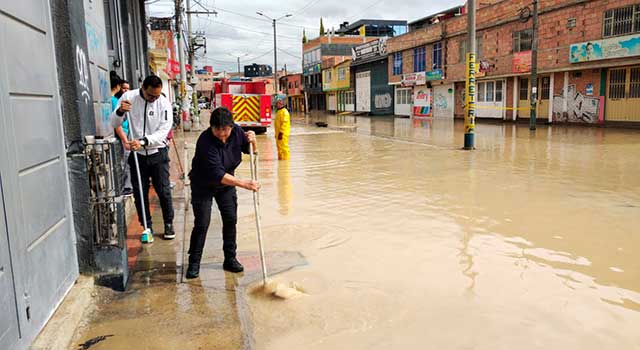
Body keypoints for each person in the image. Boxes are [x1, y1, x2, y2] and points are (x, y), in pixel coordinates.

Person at [186, 107, 259, 278]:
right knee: (202, 222)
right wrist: (243, 183)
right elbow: (216, 174)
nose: (222, 134)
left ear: (232, 126)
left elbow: (250, 151)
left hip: (226, 185)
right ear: (211, 127)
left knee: (230, 219)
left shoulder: (237, 132)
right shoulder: (205, 141)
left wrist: (253, 141)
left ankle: (230, 258)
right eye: (217, 130)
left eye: (225, 130)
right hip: (203, 184)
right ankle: (194, 262)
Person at [111, 75, 175, 240]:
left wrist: (144, 141)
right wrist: (120, 112)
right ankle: (146, 226)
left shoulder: (164, 103)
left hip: (157, 152)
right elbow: (113, 123)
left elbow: (164, 131)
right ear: (143, 88)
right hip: (137, 155)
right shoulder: (128, 98)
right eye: (151, 95)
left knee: (164, 190)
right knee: (140, 192)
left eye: (157, 95)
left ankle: (168, 223)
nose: (154, 99)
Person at [110, 72, 133, 195]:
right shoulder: (114, 101)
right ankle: (126, 187)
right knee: (126, 161)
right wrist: (125, 140)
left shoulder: (120, 100)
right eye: (123, 88)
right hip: (122, 135)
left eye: (128, 89)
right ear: (118, 87)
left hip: (126, 134)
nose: (126, 91)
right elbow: (117, 123)